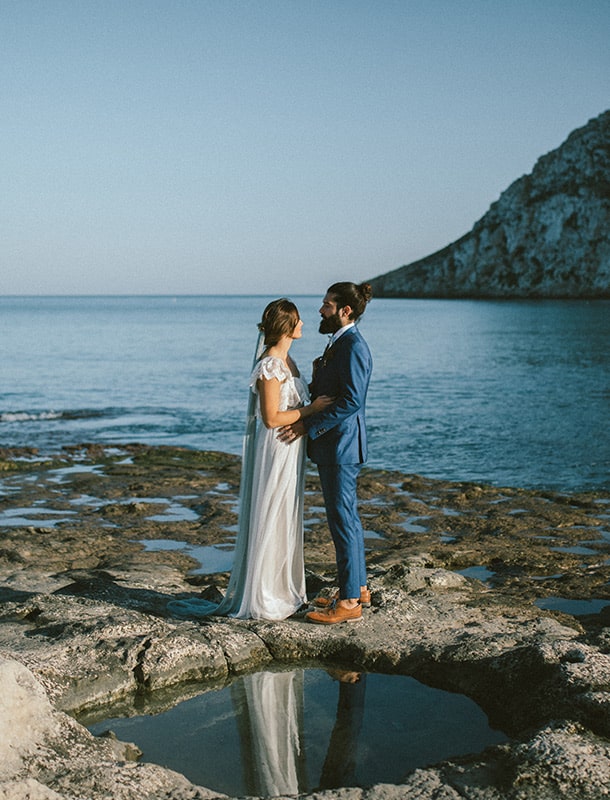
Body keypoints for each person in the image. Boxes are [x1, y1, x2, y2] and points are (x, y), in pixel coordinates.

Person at [169, 298, 332, 621]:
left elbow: (292, 401)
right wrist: (311, 410)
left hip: (292, 448)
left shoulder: (290, 361)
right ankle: (264, 594)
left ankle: (284, 588)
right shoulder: (270, 365)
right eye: (297, 320)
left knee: (286, 513)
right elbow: (270, 418)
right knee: (271, 512)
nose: (303, 324)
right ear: (286, 326)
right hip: (276, 446)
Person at [279, 282, 373, 624]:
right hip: (338, 445)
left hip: (340, 446)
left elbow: (352, 401)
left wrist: (308, 425)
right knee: (347, 519)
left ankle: (349, 603)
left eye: (327, 305)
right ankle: (358, 588)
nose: (320, 310)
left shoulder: (353, 346)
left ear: (345, 310)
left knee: (342, 522)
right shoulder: (339, 342)